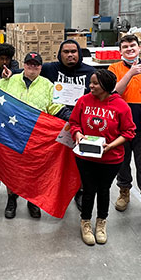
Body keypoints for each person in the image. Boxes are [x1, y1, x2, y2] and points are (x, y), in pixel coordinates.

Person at [0, 52, 70, 219]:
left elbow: (56, 108)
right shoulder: (10, 80)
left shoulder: (48, 85)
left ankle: (33, 201)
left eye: (36, 64)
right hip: (12, 133)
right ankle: (11, 199)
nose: (32, 66)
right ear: (23, 65)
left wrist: (73, 119)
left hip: (37, 136)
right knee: (12, 169)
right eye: (29, 63)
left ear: (40, 67)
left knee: (35, 170)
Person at [69, 69, 135, 245]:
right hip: (85, 157)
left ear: (106, 86)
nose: (90, 86)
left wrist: (111, 146)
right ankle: (85, 222)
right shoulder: (83, 101)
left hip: (111, 158)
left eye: (95, 83)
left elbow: (129, 132)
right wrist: (77, 134)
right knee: (89, 189)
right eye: (90, 82)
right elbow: (74, 122)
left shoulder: (121, 106)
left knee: (104, 189)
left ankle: (101, 222)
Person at [108, 35, 141, 227]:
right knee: (122, 162)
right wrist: (130, 73)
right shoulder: (114, 69)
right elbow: (113, 93)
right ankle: (124, 191)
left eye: (133, 46)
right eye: (125, 46)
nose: (129, 49)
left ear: (139, 48)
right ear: (120, 51)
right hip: (119, 126)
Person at [41, 39, 96, 211]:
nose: (70, 54)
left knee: (82, 161)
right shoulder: (50, 69)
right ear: (60, 54)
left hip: (81, 125)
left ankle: (80, 191)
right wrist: (9, 73)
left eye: (74, 51)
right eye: (66, 52)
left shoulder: (91, 72)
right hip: (55, 123)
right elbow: (27, 71)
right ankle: (53, 191)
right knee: (55, 162)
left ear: (79, 53)